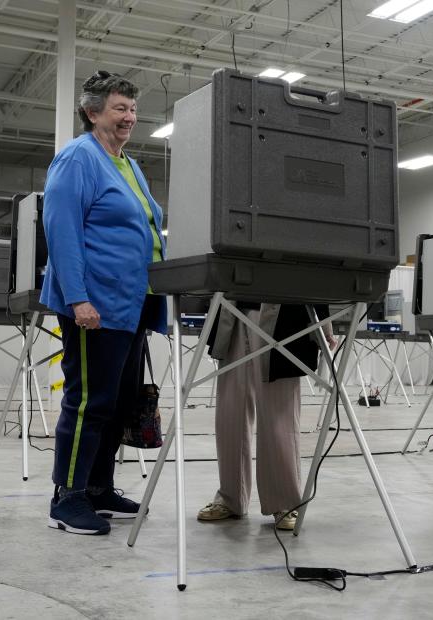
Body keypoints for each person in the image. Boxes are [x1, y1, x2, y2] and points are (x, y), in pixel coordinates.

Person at [42, 70, 167, 535]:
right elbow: (63, 231)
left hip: (132, 303)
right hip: (95, 304)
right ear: (93, 113)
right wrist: (78, 298)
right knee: (89, 401)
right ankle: (68, 496)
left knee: (118, 403)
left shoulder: (128, 164)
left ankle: (99, 489)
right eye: (120, 109)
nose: (129, 117)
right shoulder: (78, 158)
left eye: (133, 109)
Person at [197, 304, 335, 530]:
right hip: (234, 306)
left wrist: (323, 326)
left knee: (279, 418)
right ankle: (231, 498)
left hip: (284, 311)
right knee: (230, 412)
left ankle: (285, 502)